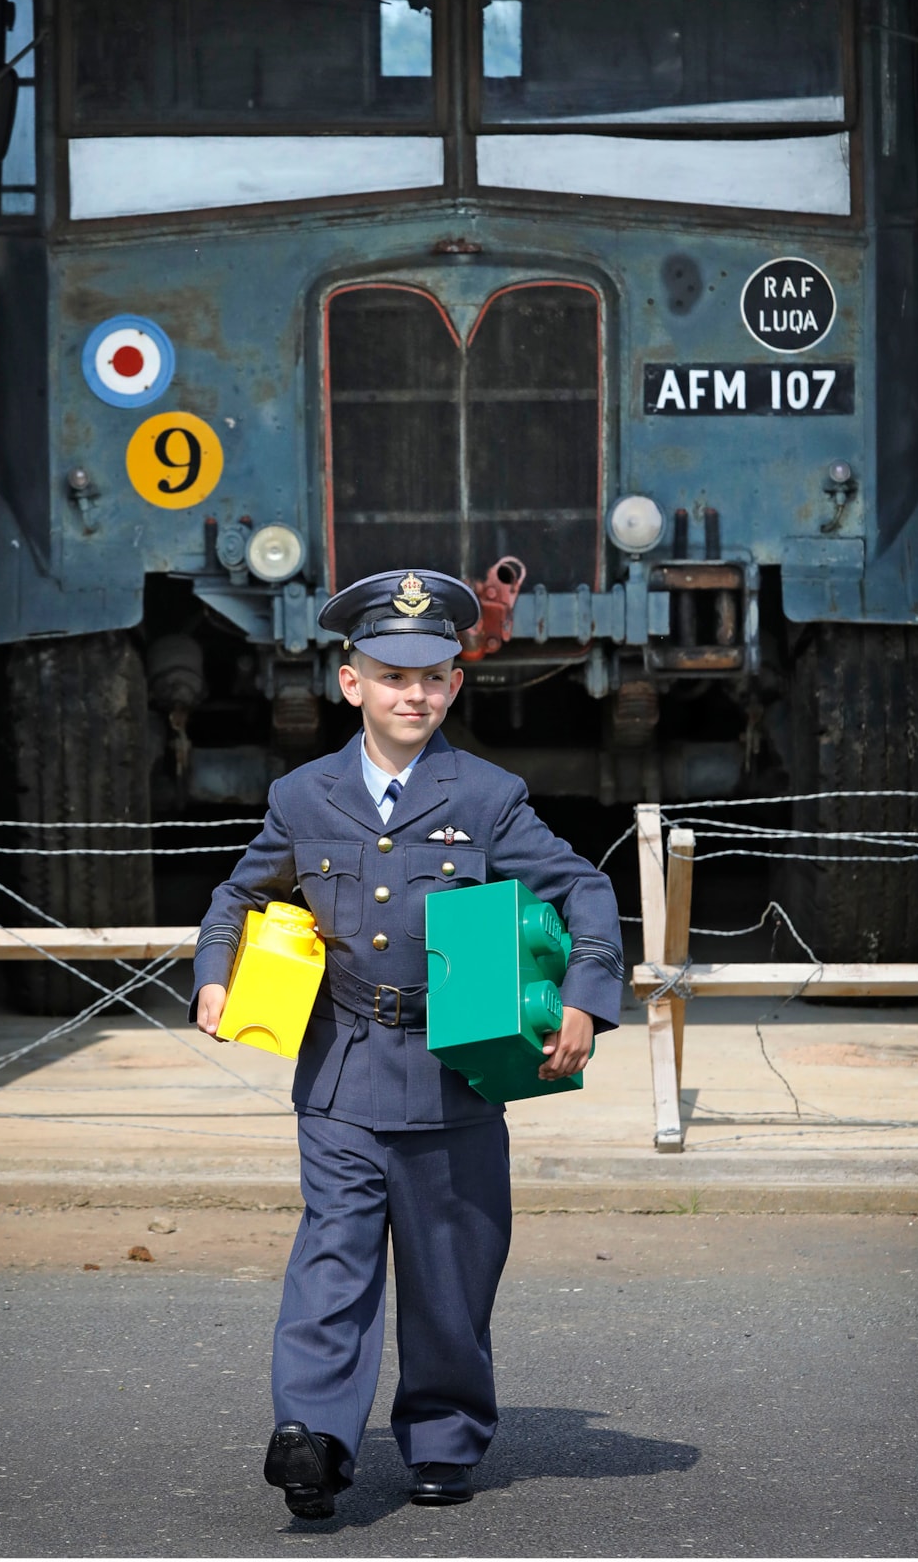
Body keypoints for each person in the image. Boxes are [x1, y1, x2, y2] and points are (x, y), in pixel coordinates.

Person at [192, 569, 624, 1518]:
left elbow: (583, 891)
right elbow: (240, 896)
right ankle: (314, 1438)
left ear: (455, 687)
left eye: (432, 677)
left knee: (450, 1269)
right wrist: (216, 973)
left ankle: (441, 1438)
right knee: (333, 1257)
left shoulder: (490, 795)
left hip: (453, 1075)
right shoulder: (303, 795)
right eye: (391, 676)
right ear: (352, 684)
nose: (413, 694)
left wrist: (587, 1000)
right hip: (341, 1070)